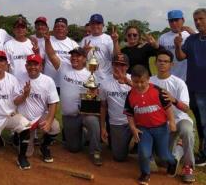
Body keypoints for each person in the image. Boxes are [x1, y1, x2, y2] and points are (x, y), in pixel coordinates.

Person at [44, 32, 102, 166]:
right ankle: (84, 135)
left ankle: (96, 151)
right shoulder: (64, 67)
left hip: (84, 114)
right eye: (73, 55)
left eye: (78, 56)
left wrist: (92, 97)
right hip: (69, 115)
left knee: (93, 122)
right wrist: (47, 41)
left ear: (84, 58)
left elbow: (94, 97)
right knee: (73, 149)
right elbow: (52, 55)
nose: (74, 58)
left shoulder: (90, 74)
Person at [124, 65, 178, 185]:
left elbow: (168, 108)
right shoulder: (130, 95)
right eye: (136, 82)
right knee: (143, 152)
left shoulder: (158, 91)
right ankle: (145, 173)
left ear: (148, 79)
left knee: (162, 154)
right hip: (143, 129)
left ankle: (173, 161)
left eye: (142, 82)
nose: (139, 85)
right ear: (132, 80)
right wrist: (133, 128)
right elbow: (129, 114)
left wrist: (172, 122)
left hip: (160, 127)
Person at [150, 50, 195, 183]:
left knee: (187, 130)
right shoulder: (150, 81)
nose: (162, 64)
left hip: (179, 119)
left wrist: (173, 100)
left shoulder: (179, 83)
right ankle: (177, 151)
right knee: (163, 162)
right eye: (160, 61)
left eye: (166, 61)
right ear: (155, 62)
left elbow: (186, 108)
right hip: (161, 123)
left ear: (172, 65)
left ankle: (188, 166)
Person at [175, 8, 206, 166]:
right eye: (195, 19)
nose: (198, 22)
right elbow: (180, 57)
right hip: (192, 86)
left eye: (201, 18)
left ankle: (204, 154)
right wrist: (178, 45)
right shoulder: (192, 39)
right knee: (200, 121)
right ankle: (202, 149)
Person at [17, 54, 60, 163]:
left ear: (41, 66)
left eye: (36, 64)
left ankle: (44, 146)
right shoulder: (19, 78)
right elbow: (15, 101)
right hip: (24, 118)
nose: (33, 67)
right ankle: (18, 138)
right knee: (28, 154)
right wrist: (25, 95)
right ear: (26, 66)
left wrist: (49, 121)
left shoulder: (48, 80)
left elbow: (53, 103)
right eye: (30, 64)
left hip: (40, 116)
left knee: (55, 127)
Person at [99, 53, 132, 162]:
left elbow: (146, 92)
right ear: (112, 65)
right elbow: (103, 106)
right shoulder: (104, 83)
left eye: (122, 65)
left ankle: (146, 152)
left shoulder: (134, 80)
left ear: (127, 66)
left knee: (144, 149)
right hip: (117, 123)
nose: (118, 68)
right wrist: (103, 127)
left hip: (138, 121)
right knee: (119, 157)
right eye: (116, 64)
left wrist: (127, 81)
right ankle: (126, 143)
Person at [43, 17, 79, 91]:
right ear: (53, 29)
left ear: (67, 30)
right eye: (57, 26)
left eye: (62, 26)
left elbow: (79, 63)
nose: (59, 28)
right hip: (48, 82)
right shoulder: (46, 40)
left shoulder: (73, 44)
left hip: (66, 82)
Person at [158, 10, 195, 81]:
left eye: (176, 20)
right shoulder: (163, 37)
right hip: (169, 77)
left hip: (189, 77)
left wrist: (192, 33)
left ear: (183, 20)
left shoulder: (191, 34)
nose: (174, 23)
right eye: (171, 21)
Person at [80, 14, 113, 81]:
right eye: (93, 23)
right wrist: (84, 53)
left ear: (103, 25)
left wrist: (116, 42)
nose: (95, 26)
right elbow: (80, 61)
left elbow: (115, 57)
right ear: (90, 24)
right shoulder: (85, 40)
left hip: (106, 78)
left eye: (98, 23)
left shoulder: (108, 39)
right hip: (88, 78)